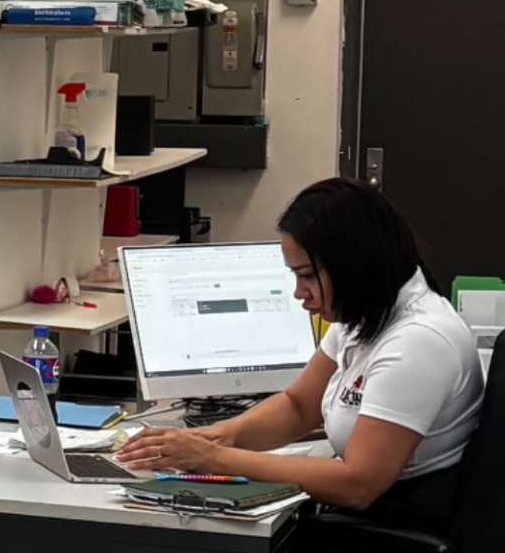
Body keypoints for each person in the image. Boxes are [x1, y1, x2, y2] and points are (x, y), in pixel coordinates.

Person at [113, 175, 482, 529]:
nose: (299, 293)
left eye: (307, 276)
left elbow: (357, 484)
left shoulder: (418, 341)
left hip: (389, 534)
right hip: (371, 518)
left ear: (353, 266)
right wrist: (214, 437)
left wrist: (214, 458)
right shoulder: (367, 313)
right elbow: (299, 406)